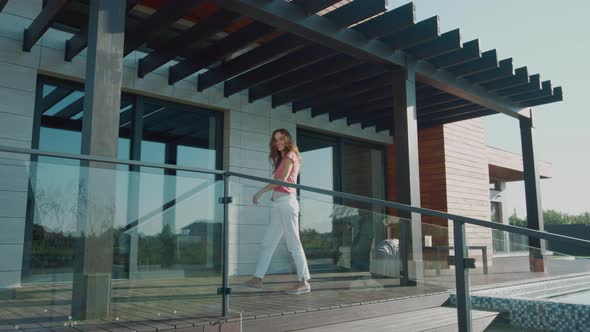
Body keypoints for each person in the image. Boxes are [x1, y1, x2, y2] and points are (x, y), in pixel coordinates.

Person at [240, 128, 311, 295]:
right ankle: (257, 279)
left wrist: (260, 192)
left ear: (287, 139)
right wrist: (272, 195)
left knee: (293, 243)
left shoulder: (291, 155)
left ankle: (304, 281)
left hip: (287, 203)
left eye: (281, 139)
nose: (278, 142)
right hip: (279, 204)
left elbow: (282, 180)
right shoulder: (282, 158)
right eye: (275, 140)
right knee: (267, 243)